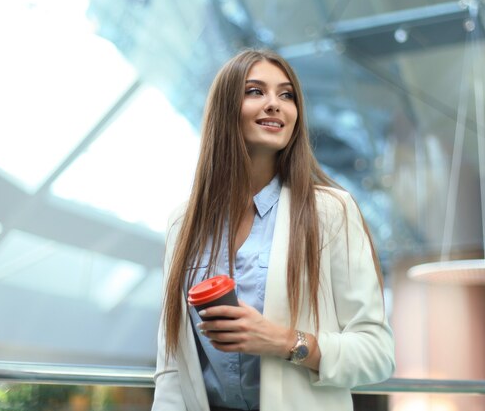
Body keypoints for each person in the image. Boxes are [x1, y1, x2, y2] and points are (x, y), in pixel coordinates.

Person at [152, 49, 395, 411]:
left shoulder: (329, 210)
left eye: (286, 95)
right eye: (255, 91)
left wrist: (283, 341)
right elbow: (172, 367)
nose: (275, 104)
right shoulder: (182, 224)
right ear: (224, 109)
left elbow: (377, 354)